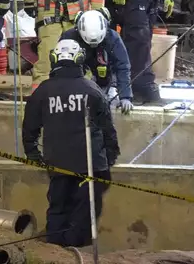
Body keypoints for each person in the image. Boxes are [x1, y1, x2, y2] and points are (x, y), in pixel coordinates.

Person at [22, 39, 120, 247]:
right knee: (83, 215)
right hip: (90, 166)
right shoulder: (92, 90)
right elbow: (108, 129)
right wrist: (110, 157)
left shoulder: (42, 91)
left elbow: (29, 127)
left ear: (54, 59)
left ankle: (55, 253)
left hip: (57, 164)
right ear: (80, 60)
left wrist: (32, 154)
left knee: (58, 209)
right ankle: (74, 253)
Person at [60, 8, 134, 114]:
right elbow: (60, 67)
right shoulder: (68, 38)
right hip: (77, 81)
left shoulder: (113, 38)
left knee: (107, 111)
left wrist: (125, 96)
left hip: (107, 81)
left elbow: (123, 67)